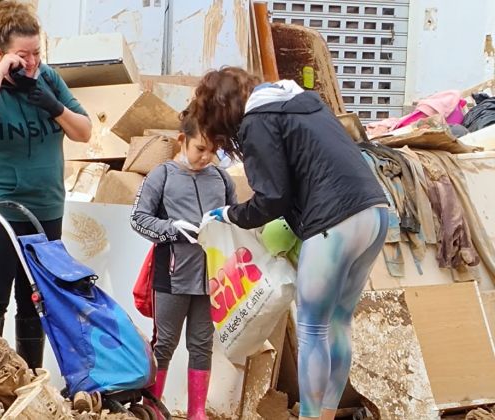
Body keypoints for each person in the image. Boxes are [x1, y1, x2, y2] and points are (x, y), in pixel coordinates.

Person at [191, 67, 388, 420]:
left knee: (313, 327)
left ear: (221, 113)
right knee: (340, 323)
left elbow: (272, 198)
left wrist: (229, 215)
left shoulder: (256, 121)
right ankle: (325, 415)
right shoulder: (302, 103)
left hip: (334, 222)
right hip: (375, 213)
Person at [0, 0, 91, 369]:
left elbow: (84, 132)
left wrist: (55, 107)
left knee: (36, 298)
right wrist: (0, 72)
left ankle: (31, 378)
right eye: (23, 54)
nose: (32, 61)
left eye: (37, 52)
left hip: (45, 207)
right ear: (2, 54)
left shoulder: (48, 80)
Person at [130, 108, 237, 419]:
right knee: (164, 343)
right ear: (182, 140)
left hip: (211, 280)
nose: (206, 157)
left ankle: (197, 413)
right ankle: (153, 409)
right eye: (200, 148)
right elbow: (138, 219)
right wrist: (171, 229)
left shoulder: (221, 178)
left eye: (213, 151)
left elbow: (235, 216)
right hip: (172, 276)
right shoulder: (161, 175)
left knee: (202, 345)